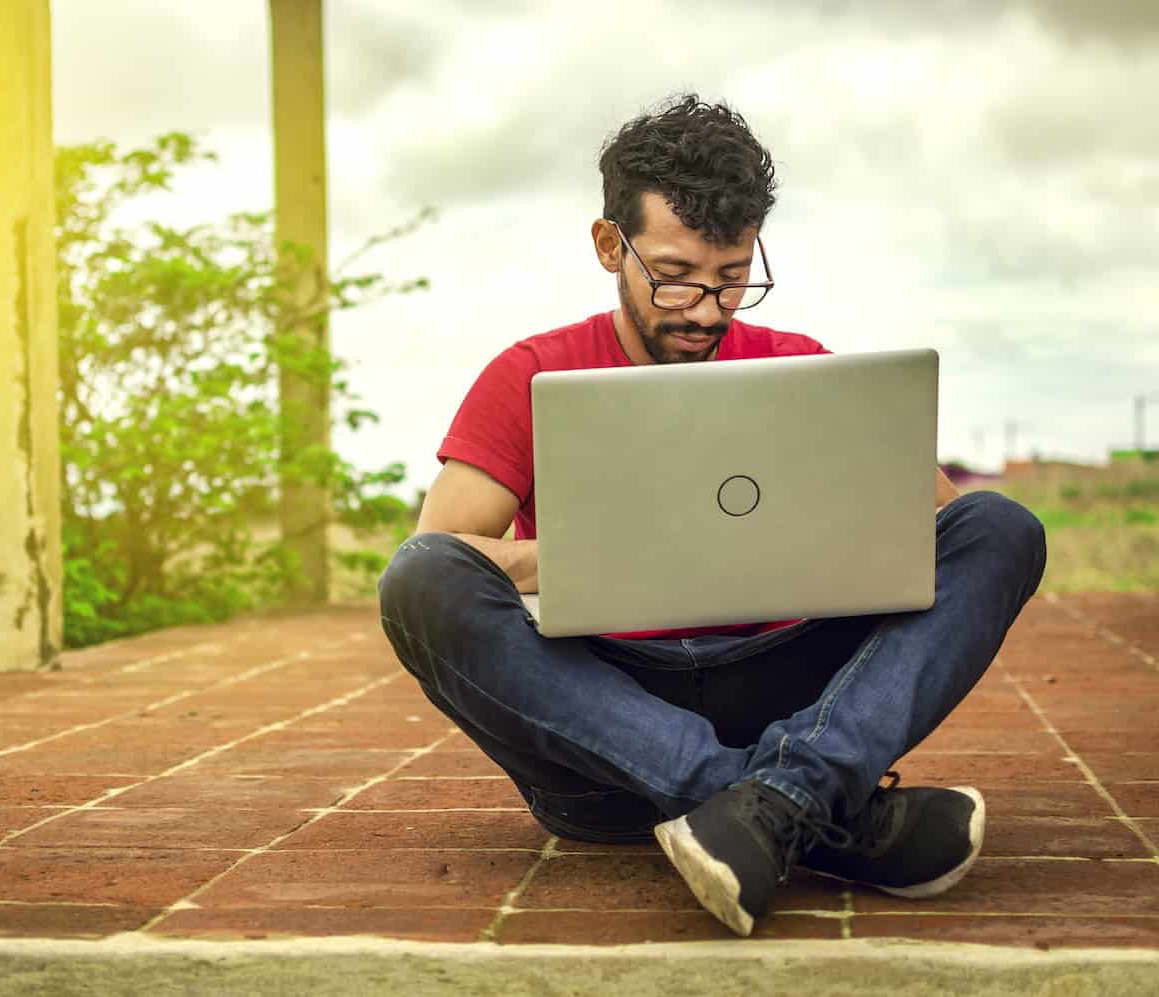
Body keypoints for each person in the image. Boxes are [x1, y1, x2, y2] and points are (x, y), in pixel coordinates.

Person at [375, 94, 1046, 937]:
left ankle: (773, 801)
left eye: (733, 280)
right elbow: (445, 553)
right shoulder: (529, 374)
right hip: (599, 733)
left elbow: (946, 540)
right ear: (608, 245)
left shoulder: (802, 372)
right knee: (419, 582)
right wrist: (597, 557)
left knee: (1002, 528)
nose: (706, 308)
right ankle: (802, 803)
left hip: (783, 687)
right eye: (677, 275)